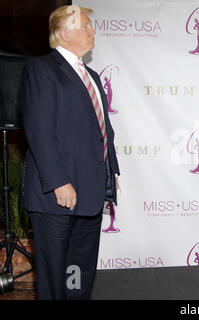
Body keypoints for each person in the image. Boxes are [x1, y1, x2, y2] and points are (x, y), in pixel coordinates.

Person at [19, 5, 120, 299]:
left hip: (91, 194)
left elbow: (104, 131)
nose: (93, 31)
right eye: (85, 26)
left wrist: (110, 172)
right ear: (64, 33)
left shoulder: (92, 76)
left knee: (79, 272)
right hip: (57, 197)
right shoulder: (41, 69)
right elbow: (39, 131)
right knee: (54, 278)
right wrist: (59, 182)